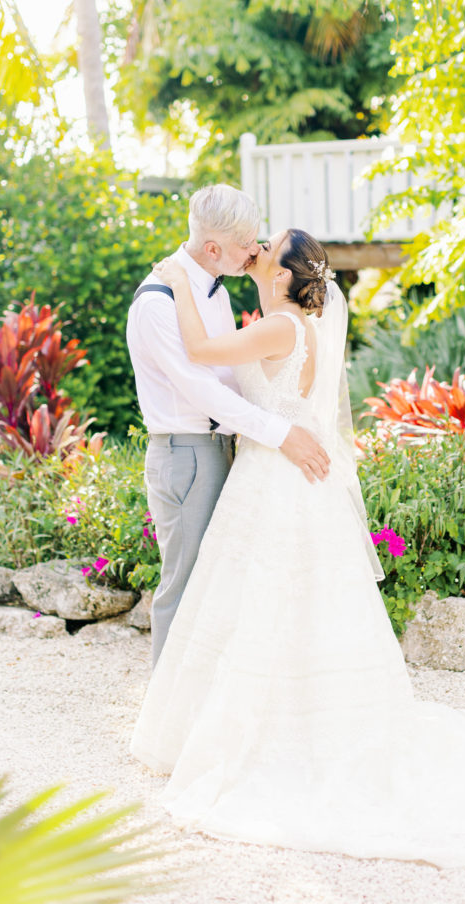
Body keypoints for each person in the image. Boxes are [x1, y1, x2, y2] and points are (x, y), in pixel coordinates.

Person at [130, 227, 465, 867]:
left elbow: (201, 351)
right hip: (278, 475)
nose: (256, 247)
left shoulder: (281, 326)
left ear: (285, 275)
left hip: (275, 480)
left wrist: (178, 280)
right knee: (283, 606)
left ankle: (267, 737)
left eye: (269, 246)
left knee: (262, 601)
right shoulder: (287, 323)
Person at [126, 185, 330, 664]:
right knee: (187, 584)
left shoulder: (214, 292)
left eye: (263, 243)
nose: (255, 251)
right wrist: (282, 433)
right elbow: (202, 389)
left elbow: (234, 376)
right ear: (215, 248)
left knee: (222, 588)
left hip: (234, 454)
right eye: (248, 244)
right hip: (188, 452)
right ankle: (167, 717)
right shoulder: (159, 301)